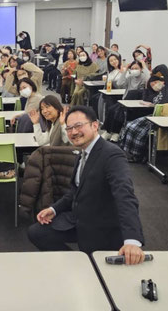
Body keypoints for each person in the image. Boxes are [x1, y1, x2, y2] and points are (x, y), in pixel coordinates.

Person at [27, 106, 145, 262]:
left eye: (78, 126)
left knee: (96, 268)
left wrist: (132, 240)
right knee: (36, 232)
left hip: (102, 226)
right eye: (69, 128)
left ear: (95, 125)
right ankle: (77, 262)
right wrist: (54, 209)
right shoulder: (83, 152)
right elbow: (75, 191)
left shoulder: (112, 154)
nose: (74, 132)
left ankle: (83, 263)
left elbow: (125, 195)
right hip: (79, 218)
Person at [119, 64, 168, 163]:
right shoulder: (159, 93)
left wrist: (153, 72)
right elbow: (159, 103)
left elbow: (163, 67)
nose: (154, 85)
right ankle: (130, 152)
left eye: (156, 82)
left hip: (164, 117)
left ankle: (137, 155)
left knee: (135, 129)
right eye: (152, 84)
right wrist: (151, 104)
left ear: (163, 81)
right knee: (130, 126)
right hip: (156, 116)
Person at [101, 60, 150, 142]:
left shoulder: (144, 77)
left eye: (136, 68)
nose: (134, 70)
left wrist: (144, 66)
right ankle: (108, 131)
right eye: (132, 68)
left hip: (137, 102)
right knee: (111, 109)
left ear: (141, 69)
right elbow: (119, 83)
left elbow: (149, 78)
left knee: (119, 112)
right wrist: (125, 70)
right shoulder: (130, 77)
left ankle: (116, 132)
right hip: (125, 100)